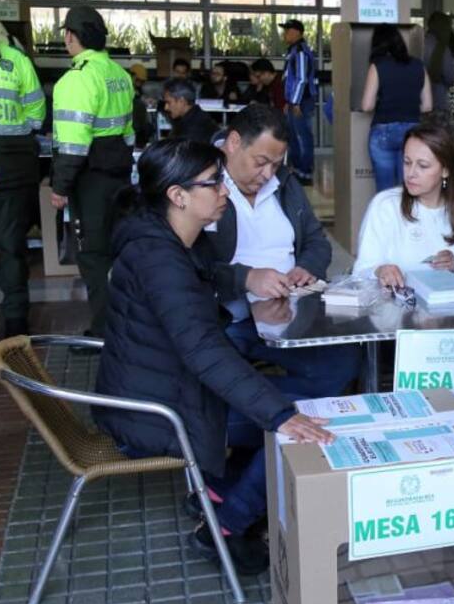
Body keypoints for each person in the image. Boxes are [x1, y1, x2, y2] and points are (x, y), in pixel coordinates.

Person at [94, 138, 333, 574]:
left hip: (161, 385)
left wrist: (247, 278)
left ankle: (222, 489)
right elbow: (203, 350)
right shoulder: (158, 259)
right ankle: (226, 522)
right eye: (213, 183)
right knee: (296, 420)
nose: (225, 191)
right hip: (155, 412)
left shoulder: (170, 240)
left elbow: (204, 280)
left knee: (313, 389)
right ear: (178, 196)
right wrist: (280, 417)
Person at [205, 104, 359, 398]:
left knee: (343, 364)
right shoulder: (201, 183)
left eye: (275, 164)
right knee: (221, 382)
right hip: (226, 321)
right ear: (234, 143)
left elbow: (316, 240)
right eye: (260, 162)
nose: (267, 174)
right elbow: (185, 265)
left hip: (288, 315)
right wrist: (246, 278)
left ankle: (271, 414)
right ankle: (270, 416)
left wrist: (306, 268)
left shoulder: (284, 183)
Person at [51, 5, 136, 340]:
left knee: (95, 258)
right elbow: (130, 132)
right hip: (118, 176)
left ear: (71, 36)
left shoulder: (77, 79)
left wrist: (60, 187)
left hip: (90, 182)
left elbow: (73, 146)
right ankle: (127, 323)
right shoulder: (119, 74)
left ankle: (103, 332)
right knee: (118, 251)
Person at [0, 0, 44, 346]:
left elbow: (35, 114)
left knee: (11, 252)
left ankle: (16, 319)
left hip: (8, 176)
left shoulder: (15, 61)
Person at [354, 120, 454, 285]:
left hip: (452, 308)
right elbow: (360, 272)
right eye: (407, 162)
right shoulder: (385, 205)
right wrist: (380, 271)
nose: (411, 173)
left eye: (423, 166)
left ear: (445, 170)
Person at [360, 24, 432, 192]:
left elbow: (366, 105)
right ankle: (407, 218)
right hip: (412, 132)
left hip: (383, 131)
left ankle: (387, 218)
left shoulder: (378, 66)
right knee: (409, 188)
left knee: (385, 191)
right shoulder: (418, 65)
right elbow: (428, 105)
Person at [279, 19, 317, 185]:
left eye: (287, 30)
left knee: (302, 137)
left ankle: (305, 173)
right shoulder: (294, 50)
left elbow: (301, 79)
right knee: (294, 136)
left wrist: (295, 102)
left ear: (297, 32)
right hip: (295, 101)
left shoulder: (300, 51)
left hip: (301, 103)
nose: (284, 34)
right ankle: (297, 170)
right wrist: (289, 101)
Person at [163, 78, 218, 145]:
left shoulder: (195, 128)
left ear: (181, 101)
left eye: (168, 102)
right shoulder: (196, 117)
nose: (166, 107)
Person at [425, 12, 454, 115]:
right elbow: (451, 76)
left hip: (418, 102)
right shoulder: (442, 48)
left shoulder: (417, 43)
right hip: (438, 99)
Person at [128, 63, 155, 146]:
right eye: (138, 80)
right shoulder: (127, 89)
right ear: (132, 76)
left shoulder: (137, 90)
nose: (140, 83)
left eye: (142, 81)